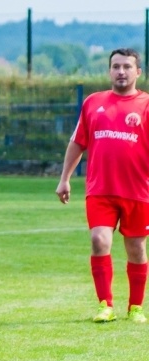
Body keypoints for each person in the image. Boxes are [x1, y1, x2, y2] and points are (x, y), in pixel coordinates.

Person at [57, 48, 149, 324]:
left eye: (127, 67)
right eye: (116, 66)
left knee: (136, 248)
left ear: (138, 72)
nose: (121, 71)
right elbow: (77, 143)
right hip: (100, 190)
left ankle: (135, 307)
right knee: (99, 241)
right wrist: (64, 179)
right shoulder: (93, 103)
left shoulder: (146, 105)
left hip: (139, 191)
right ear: (109, 70)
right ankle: (105, 305)